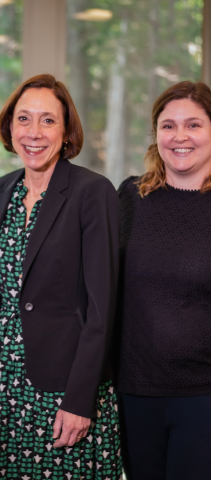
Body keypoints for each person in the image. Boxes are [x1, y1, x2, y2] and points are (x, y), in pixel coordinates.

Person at [0, 74, 122, 479]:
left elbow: (102, 308)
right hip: (7, 383)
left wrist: (79, 399)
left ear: (66, 129)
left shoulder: (92, 193)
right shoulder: (4, 189)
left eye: (47, 120)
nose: (33, 132)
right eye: (23, 119)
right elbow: (11, 272)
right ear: (9, 126)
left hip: (64, 389)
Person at [116, 81, 211, 480]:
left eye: (194, 125)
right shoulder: (130, 198)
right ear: (156, 135)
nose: (180, 136)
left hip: (203, 395)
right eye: (168, 126)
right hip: (133, 391)